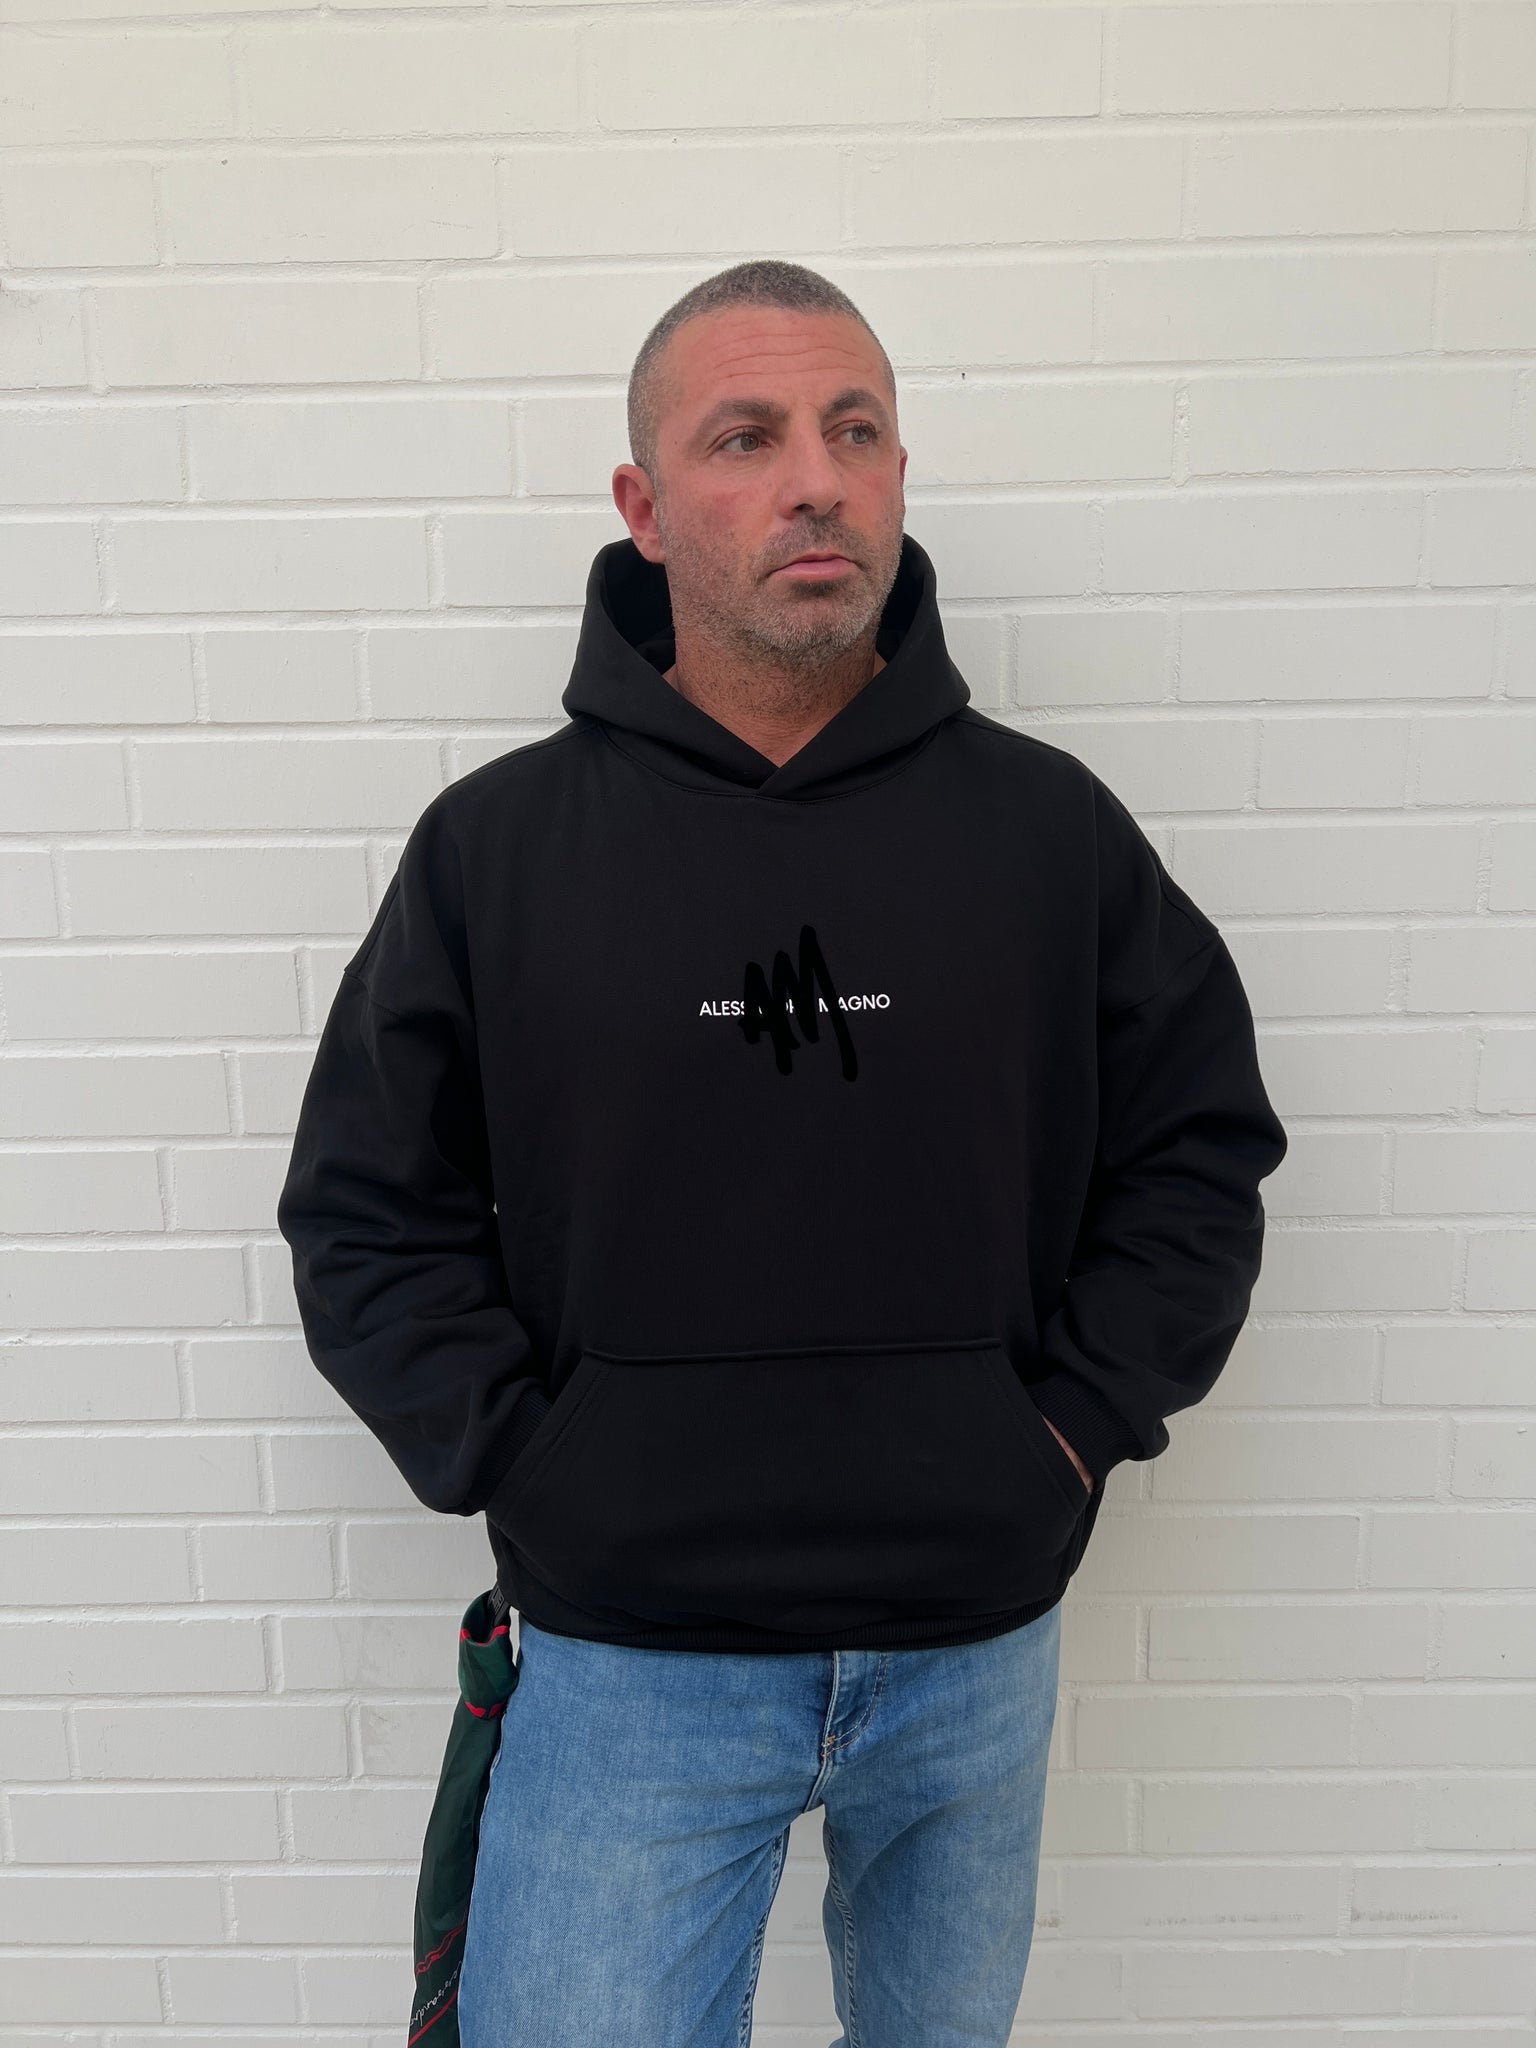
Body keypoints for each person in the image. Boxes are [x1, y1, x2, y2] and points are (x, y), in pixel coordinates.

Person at [276, 258, 1288, 2048]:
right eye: (745, 438)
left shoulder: (1049, 835)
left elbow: (1199, 1151)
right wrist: (532, 1464)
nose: (815, 480)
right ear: (645, 507)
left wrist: (1062, 1429)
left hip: (973, 1645)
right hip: (625, 1658)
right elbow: (368, 1212)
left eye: (855, 431)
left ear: (897, 475)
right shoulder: (497, 851)